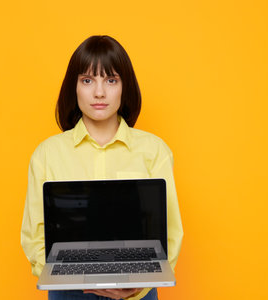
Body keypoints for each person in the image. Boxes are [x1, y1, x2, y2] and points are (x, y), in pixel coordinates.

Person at [21, 35, 183, 300]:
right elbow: (34, 233)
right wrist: (62, 276)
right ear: (74, 88)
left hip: (138, 292)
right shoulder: (47, 154)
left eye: (111, 80)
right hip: (68, 293)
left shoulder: (154, 151)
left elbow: (171, 231)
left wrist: (139, 287)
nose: (99, 92)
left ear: (124, 87)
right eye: (87, 80)